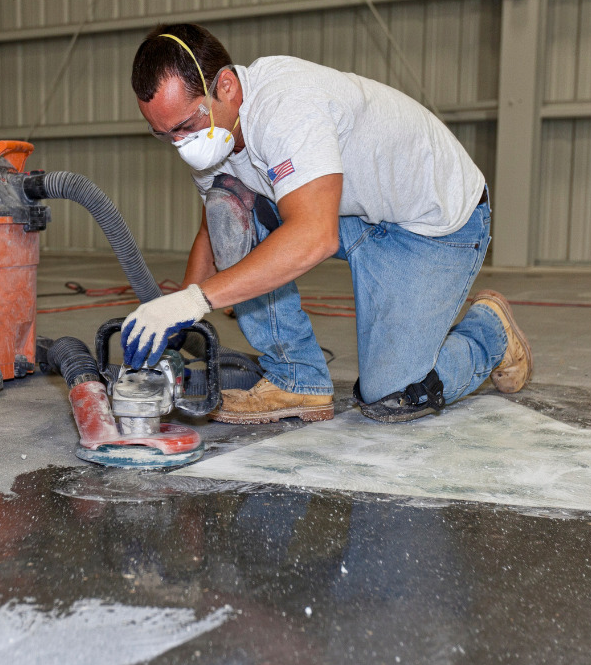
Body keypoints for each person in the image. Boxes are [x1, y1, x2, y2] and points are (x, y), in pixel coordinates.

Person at [120, 23, 531, 424]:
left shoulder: (285, 106)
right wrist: (179, 318)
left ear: (225, 86)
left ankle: (489, 331)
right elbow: (217, 228)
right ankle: (297, 379)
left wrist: (196, 300)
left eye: (185, 126)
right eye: (164, 135)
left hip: (433, 225)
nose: (180, 144)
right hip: (352, 212)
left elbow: (314, 235)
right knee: (227, 204)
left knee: (391, 394)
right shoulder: (215, 133)